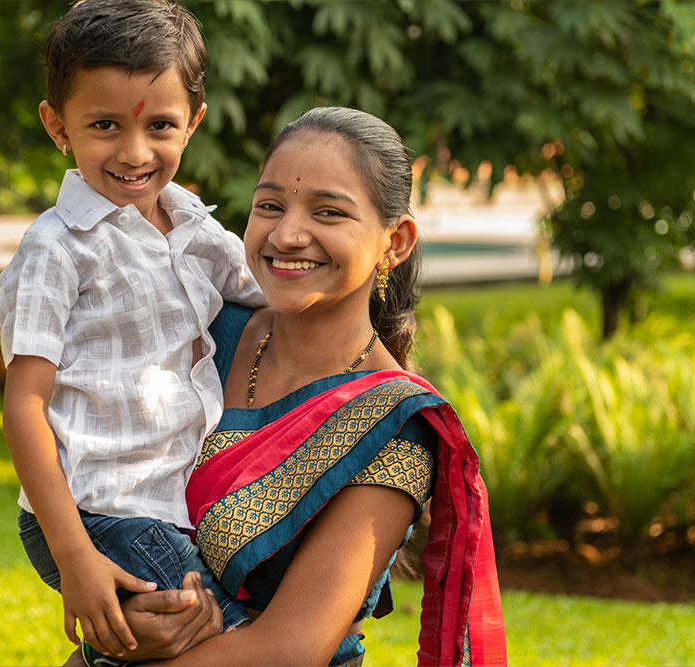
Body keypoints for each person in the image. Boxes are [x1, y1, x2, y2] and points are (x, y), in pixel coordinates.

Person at [98, 106, 507, 667]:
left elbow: (289, 650)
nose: (287, 234)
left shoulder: (391, 423)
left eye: (328, 212)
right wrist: (118, 623)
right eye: (269, 206)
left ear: (396, 242)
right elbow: (105, 498)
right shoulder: (207, 334)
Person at [0, 0, 263, 663]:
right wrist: (74, 555)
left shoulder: (194, 227)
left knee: (208, 632)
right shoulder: (58, 249)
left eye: (161, 125)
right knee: (257, 641)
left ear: (193, 122)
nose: (134, 153)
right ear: (58, 126)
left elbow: (269, 300)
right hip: (97, 510)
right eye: (104, 125)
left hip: (172, 505)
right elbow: (23, 404)